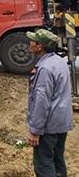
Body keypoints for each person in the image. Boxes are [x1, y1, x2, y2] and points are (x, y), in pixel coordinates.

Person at [26, 29, 74, 177]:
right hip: (62, 122)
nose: (29, 43)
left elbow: (42, 101)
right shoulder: (59, 62)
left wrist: (35, 130)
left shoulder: (45, 69)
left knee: (44, 164)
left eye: (32, 41)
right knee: (58, 161)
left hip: (49, 126)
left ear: (39, 46)